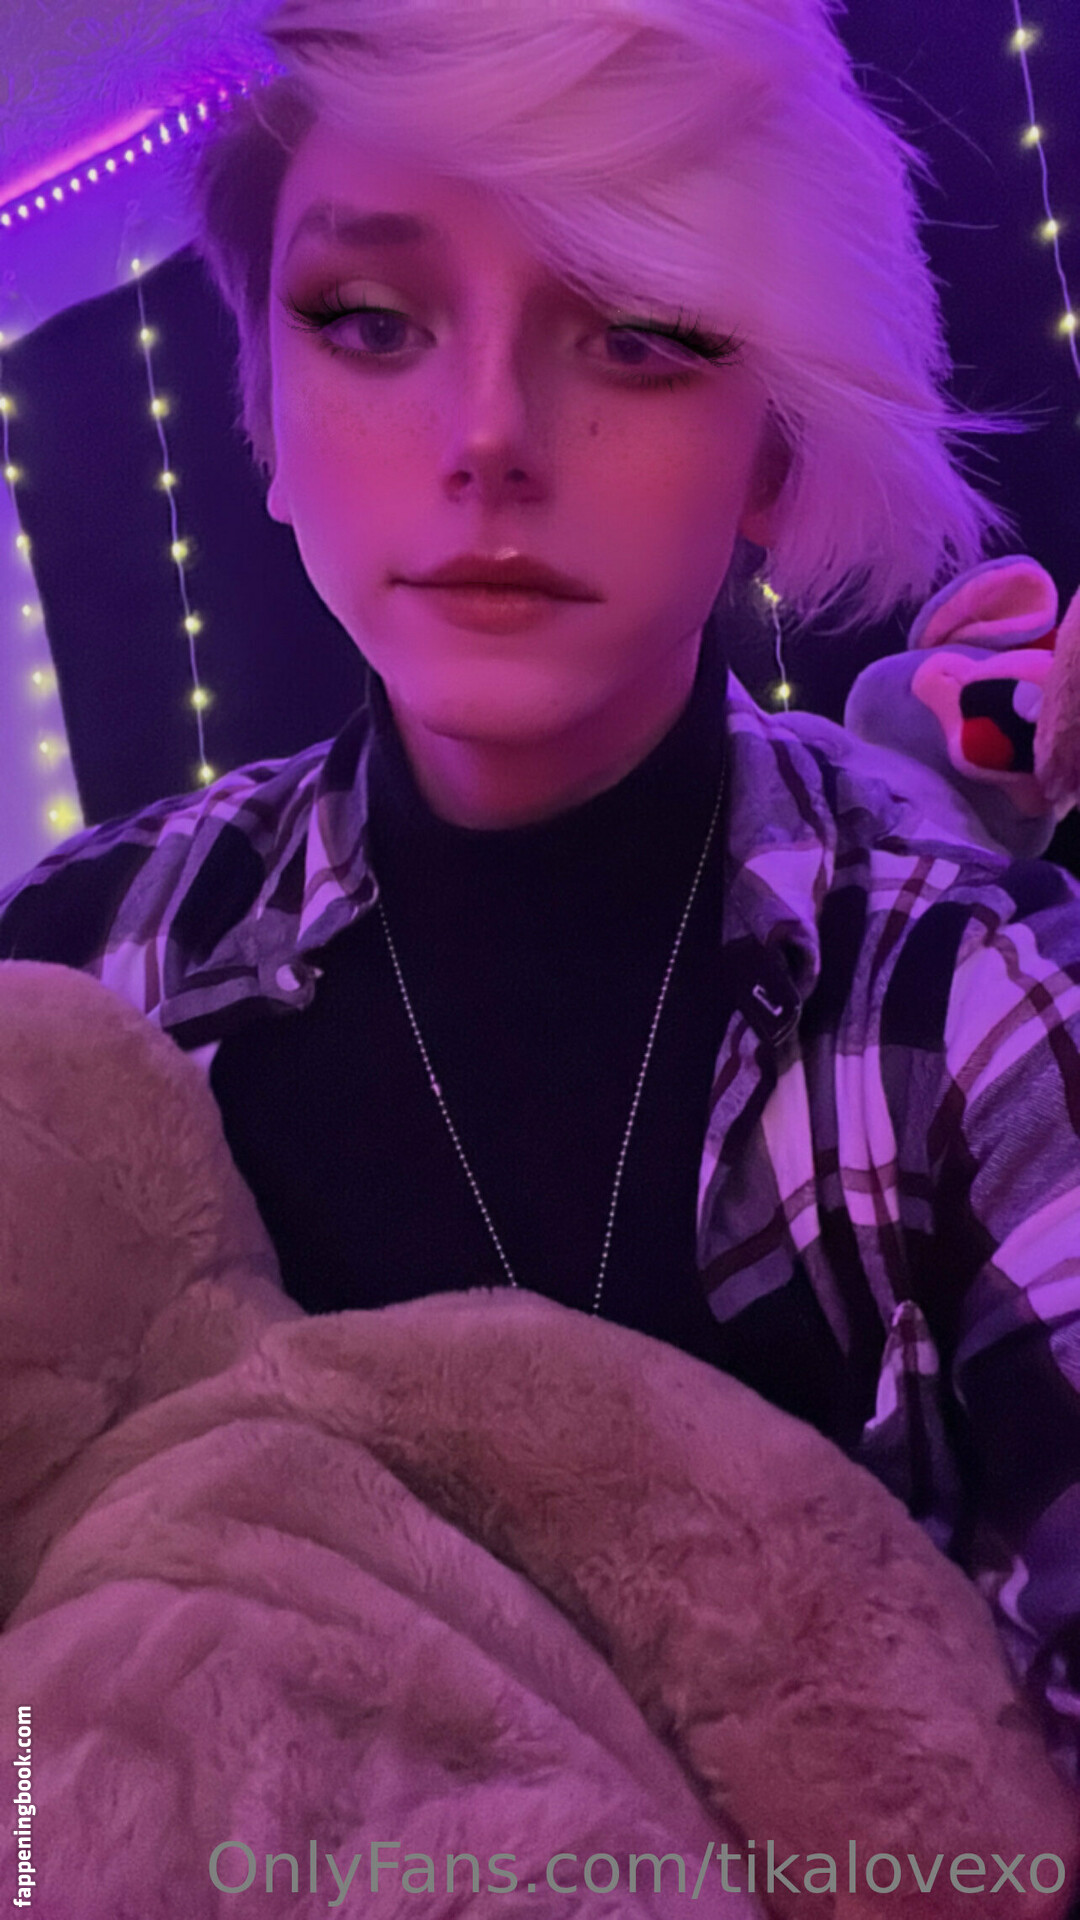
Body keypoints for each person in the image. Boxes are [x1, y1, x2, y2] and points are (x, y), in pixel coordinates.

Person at [1, 0, 1079, 1858]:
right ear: (264, 420)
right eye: (370, 322)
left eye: (640, 330)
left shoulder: (969, 1006)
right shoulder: (70, 976)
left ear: (771, 451)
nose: (490, 433)